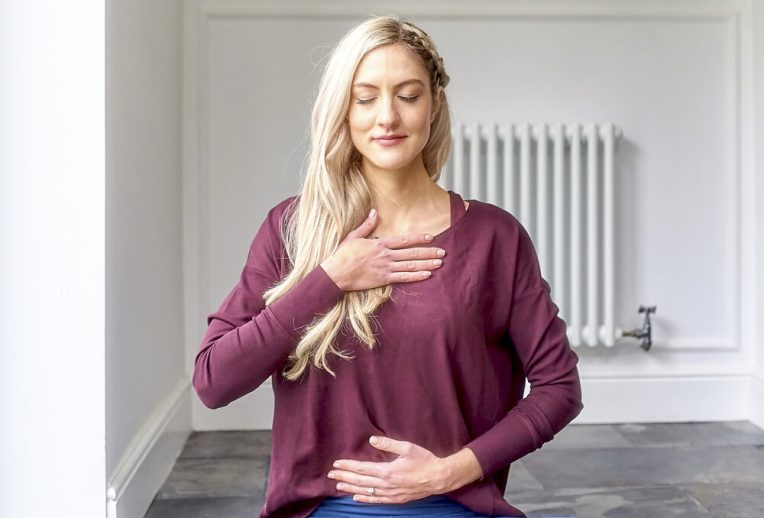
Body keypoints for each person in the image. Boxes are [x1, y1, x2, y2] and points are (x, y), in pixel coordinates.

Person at [193, 14, 583, 518]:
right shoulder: (291, 229)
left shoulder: (494, 238)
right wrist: (330, 279)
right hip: (324, 509)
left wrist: (453, 470)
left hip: (453, 503)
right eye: (366, 96)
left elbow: (559, 388)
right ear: (343, 109)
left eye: (408, 94)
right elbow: (212, 381)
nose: (387, 117)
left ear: (434, 104)